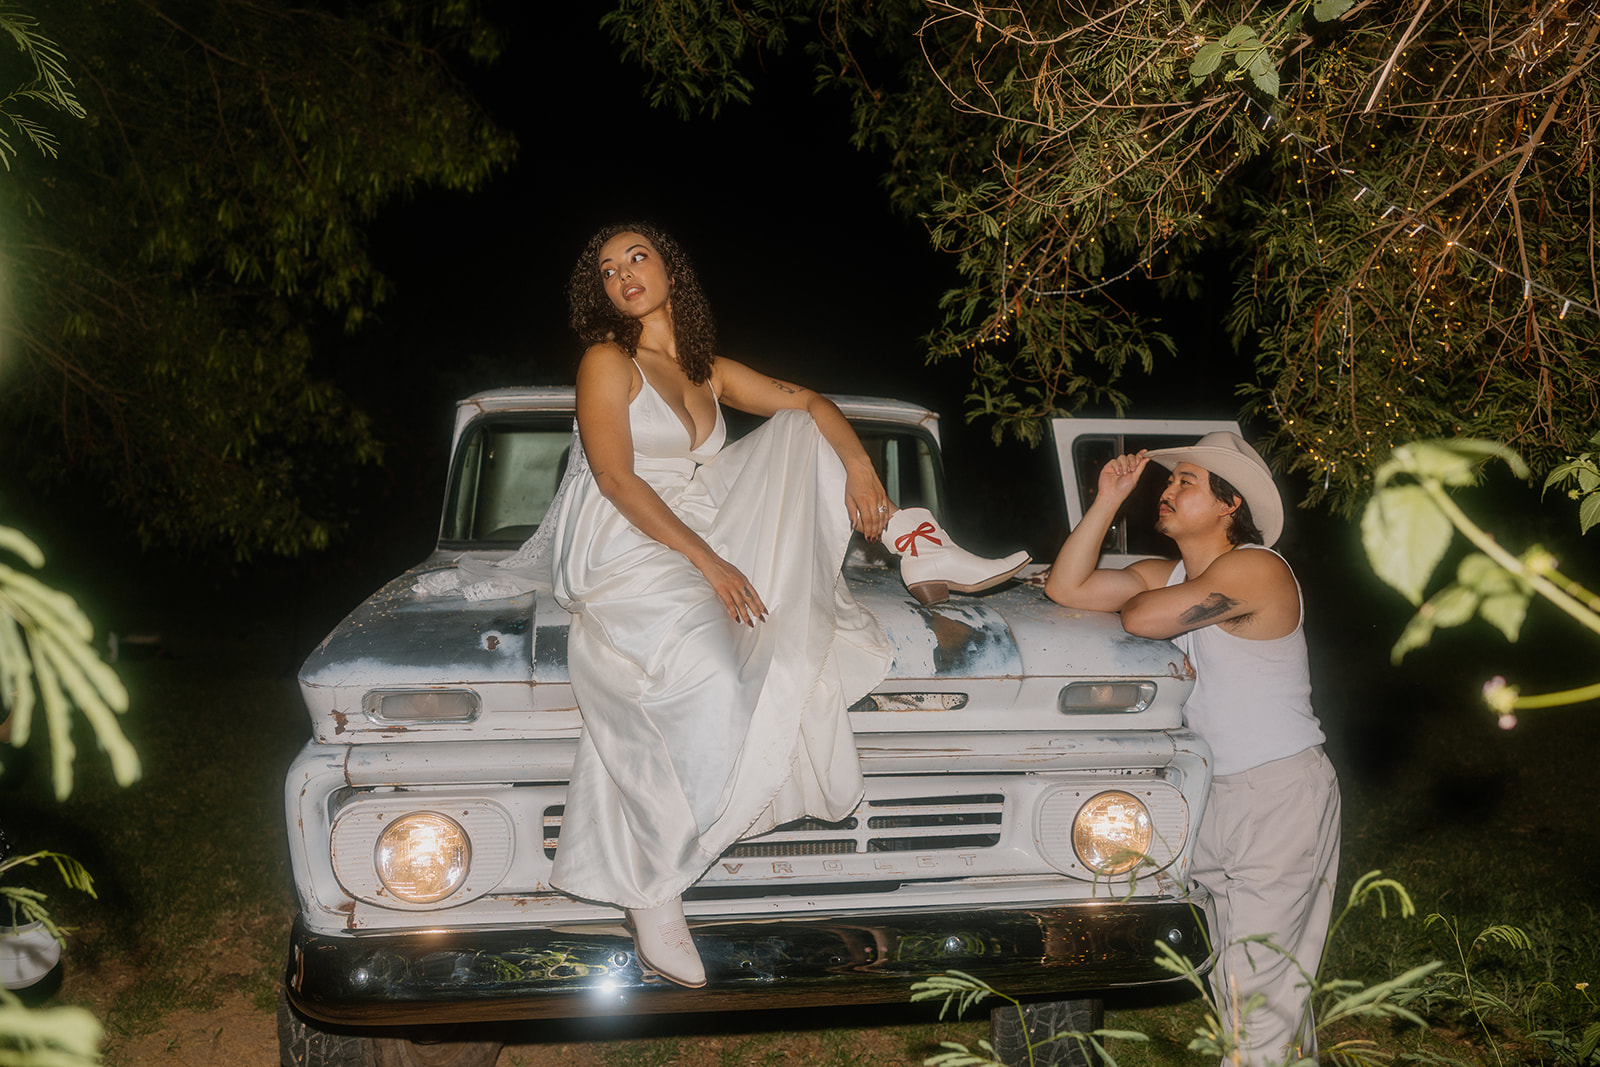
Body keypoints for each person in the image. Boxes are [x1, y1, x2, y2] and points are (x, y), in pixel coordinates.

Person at [547, 223, 1030, 988]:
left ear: (671, 266)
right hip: (627, 541)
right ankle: (654, 884)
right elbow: (615, 478)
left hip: (697, 529)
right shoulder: (607, 360)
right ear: (599, 291)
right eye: (607, 269)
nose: (624, 274)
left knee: (804, 426)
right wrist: (710, 562)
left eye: (637, 256)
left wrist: (861, 468)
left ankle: (913, 539)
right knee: (707, 670)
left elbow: (810, 399)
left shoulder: (704, 369)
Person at [1043, 432, 1340, 1065]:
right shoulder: (1169, 574)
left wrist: (1138, 596)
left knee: (1255, 990)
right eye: (1170, 480)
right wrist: (1106, 501)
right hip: (1210, 794)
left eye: (1187, 482)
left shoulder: (1259, 568)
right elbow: (1064, 588)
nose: (1169, 491)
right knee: (1243, 982)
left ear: (1230, 504)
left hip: (1279, 793)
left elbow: (1141, 619)